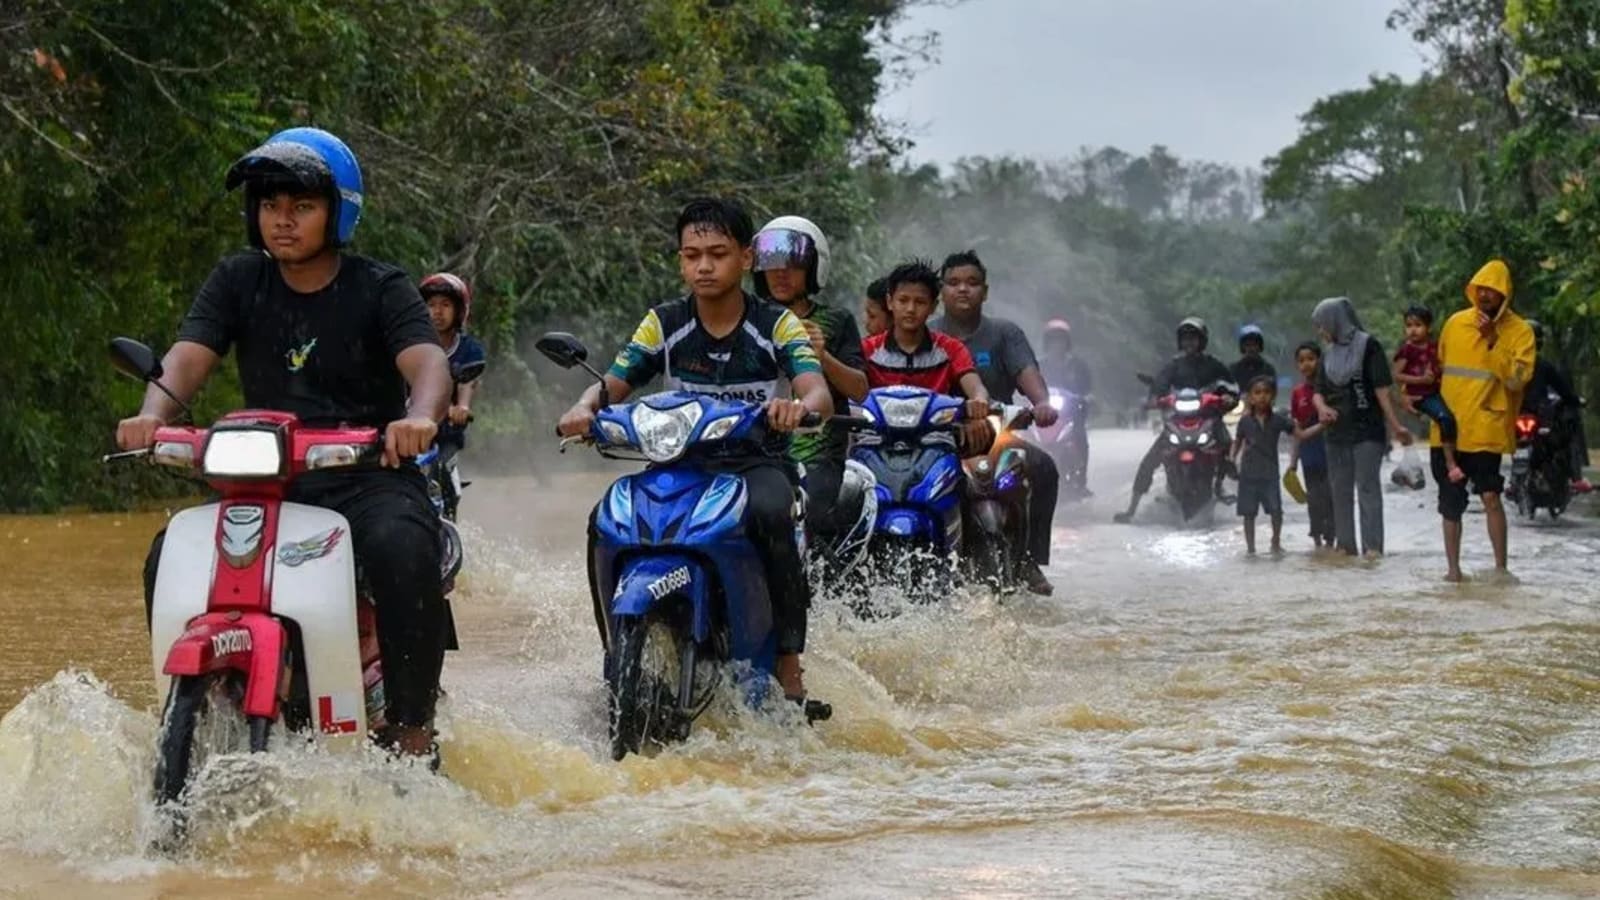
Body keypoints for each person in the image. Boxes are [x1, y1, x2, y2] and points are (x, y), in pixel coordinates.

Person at [116, 128, 452, 760]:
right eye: (271, 205)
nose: (283, 221)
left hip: (368, 472)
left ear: (338, 211)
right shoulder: (238, 279)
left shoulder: (381, 287)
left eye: (301, 206)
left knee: (402, 546)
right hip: (265, 477)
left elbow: (428, 364)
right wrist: (151, 414)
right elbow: (187, 358)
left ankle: (412, 726)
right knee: (168, 555)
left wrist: (419, 419)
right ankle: (186, 711)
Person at [555, 198, 832, 706]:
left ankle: (789, 662)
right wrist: (582, 409)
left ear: (746, 258)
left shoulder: (777, 324)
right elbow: (616, 381)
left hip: (757, 466)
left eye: (718, 253)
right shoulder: (663, 323)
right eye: (691, 255)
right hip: (678, 464)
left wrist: (798, 407)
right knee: (605, 519)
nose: (703, 266)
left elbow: (816, 390)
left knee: (773, 513)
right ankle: (615, 655)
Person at [931, 250, 1059, 595]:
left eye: (972, 283)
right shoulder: (928, 334)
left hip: (996, 436)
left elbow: (1028, 375)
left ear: (985, 292)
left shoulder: (1005, 334)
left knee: (1044, 468)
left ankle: (1030, 556)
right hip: (939, 441)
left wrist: (1042, 404)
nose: (963, 290)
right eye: (954, 283)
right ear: (941, 291)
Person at [751, 215, 868, 546]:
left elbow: (860, 390)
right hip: (755, 453)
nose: (780, 272)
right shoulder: (748, 320)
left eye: (793, 263)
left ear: (815, 267)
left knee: (807, 516)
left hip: (817, 459)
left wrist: (823, 356)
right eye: (771, 263)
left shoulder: (836, 320)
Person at [1434, 261, 1537, 581]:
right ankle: (1453, 572)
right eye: (1481, 289)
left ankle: (1501, 568)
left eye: (1493, 291)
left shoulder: (1519, 332)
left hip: (1486, 429)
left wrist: (1493, 341)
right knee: (1450, 502)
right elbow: (1440, 367)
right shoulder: (1454, 324)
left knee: (1491, 495)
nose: (1486, 296)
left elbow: (1518, 379)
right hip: (1449, 429)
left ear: (1505, 295)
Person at [1310, 297, 1412, 558]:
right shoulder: (1328, 353)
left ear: (1336, 321)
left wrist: (1396, 426)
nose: (1320, 331)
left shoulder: (1369, 346)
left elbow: (1381, 390)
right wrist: (1321, 408)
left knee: (1367, 488)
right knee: (1340, 491)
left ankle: (1373, 550)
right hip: (1336, 433)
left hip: (1367, 430)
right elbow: (1318, 391)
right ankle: (1345, 548)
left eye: (1322, 325)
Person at [1114, 317, 1236, 523]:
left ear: (1202, 340)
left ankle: (1221, 485)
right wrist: (1152, 400)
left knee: (1227, 446)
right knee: (1150, 460)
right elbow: (1159, 386)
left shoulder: (1213, 365)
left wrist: (1228, 397)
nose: (1189, 343)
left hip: (1208, 419)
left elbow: (1231, 387)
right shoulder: (1173, 366)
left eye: (1193, 338)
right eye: (1186, 339)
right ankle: (1131, 509)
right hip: (1178, 421)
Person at [420, 272, 486, 477]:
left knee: (440, 471)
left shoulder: (469, 349)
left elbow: (468, 380)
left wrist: (462, 408)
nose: (437, 312)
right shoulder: (413, 347)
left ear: (459, 310)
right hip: (411, 428)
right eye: (431, 305)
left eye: (445, 305)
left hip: (446, 433)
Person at [1517, 319, 1592, 493]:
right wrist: (1575, 400)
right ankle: (1576, 478)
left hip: (1516, 416)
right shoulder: (1543, 365)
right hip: (1538, 415)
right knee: (1567, 436)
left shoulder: (1510, 364)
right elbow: (1563, 390)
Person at [1391, 305, 1460, 484]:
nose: (1412, 330)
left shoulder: (1434, 347)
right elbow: (1396, 375)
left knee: (1453, 421)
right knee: (1445, 419)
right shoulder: (1408, 350)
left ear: (1428, 327)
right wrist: (1420, 380)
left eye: (1418, 325)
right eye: (1409, 325)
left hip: (1436, 392)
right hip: (1420, 396)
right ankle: (1451, 464)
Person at [1232, 375, 1294, 554]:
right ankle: (1250, 548)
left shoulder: (1278, 420)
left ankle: (1275, 541)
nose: (1262, 396)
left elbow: (1299, 433)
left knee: (1276, 510)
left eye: (1267, 392)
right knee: (1248, 514)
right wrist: (1231, 459)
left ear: (1273, 396)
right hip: (1248, 475)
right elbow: (1237, 442)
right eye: (1257, 393)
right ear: (1250, 397)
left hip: (1270, 474)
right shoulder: (1244, 422)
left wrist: (1321, 425)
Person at [1288, 342, 1335, 548]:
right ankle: (1316, 540)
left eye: (1310, 359)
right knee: (1314, 498)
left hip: (1332, 451)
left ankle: (1332, 539)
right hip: (1309, 454)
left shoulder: (1330, 388)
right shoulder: (1298, 393)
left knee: (1332, 497)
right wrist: (1293, 461)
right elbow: (1297, 429)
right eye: (1301, 360)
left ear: (1320, 360)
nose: (1306, 364)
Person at [1039, 318, 1093, 496]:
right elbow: (1025, 386)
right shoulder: (1039, 365)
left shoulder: (1078, 366)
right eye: (1053, 340)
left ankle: (1081, 480)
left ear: (1067, 342)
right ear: (1048, 343)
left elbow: (1088, 390)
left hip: (1070, 413)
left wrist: (1086, 399)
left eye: (1060, 340)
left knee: (1080, 436)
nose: (1057, 344)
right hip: (1043, 413)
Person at [1230, 323, 1276, 391]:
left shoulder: (1268, 370)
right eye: (1248, 345)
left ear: (1260, 347)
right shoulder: (1233, 369)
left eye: (1254, 345)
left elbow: (1271, 392)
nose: (1251, 349)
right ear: (1242, 347)